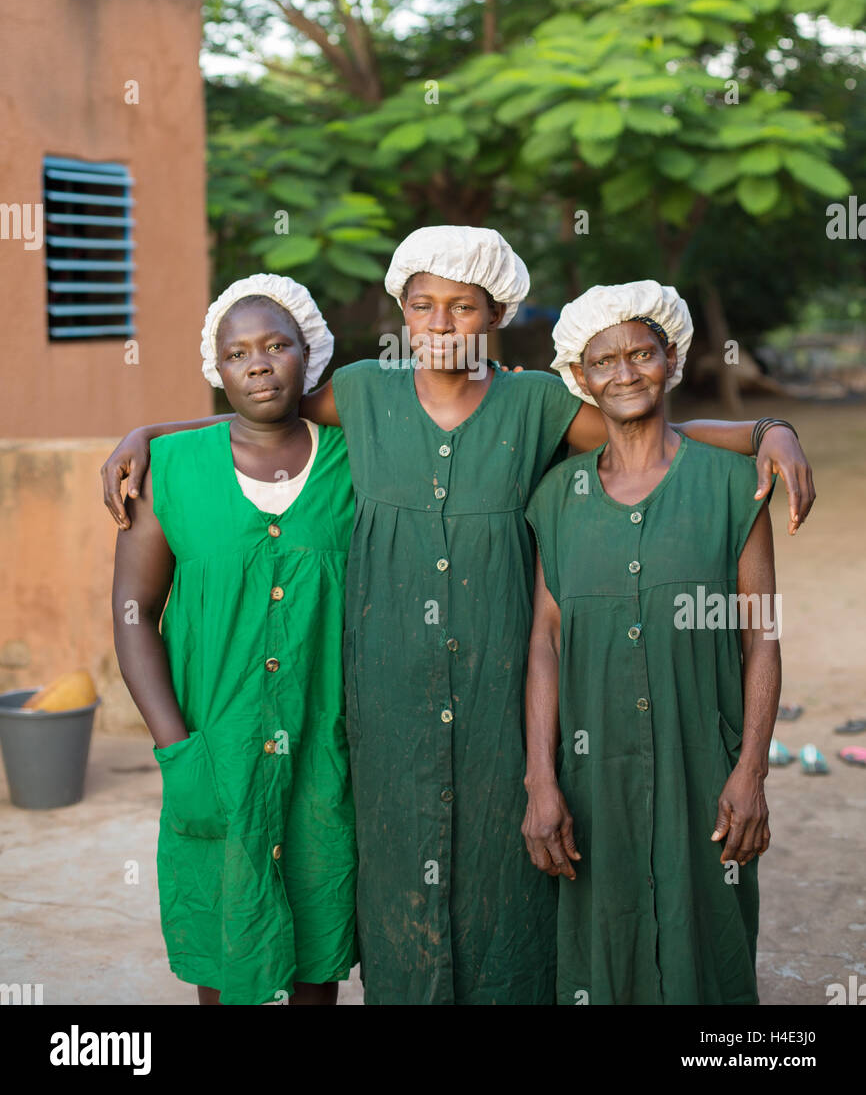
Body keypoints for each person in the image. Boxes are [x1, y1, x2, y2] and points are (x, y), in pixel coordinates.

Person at [102, 229, 814, 1006]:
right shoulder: (365, 391)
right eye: (424, 307)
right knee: (390, 884)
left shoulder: (536, 403)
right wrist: (146, 434)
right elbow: (260, 404)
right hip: (386, 712)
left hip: (499, 702)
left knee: (509, 885)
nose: (442, 326)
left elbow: (644, 437)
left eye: (464, 308)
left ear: (497, 313)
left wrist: (765, 432)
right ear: (402, 311)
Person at [522, 282, 780, 1005]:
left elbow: (763, 636)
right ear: (580, 377)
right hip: (589, 773)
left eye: (642, 353)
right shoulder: (556, 497)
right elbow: (545, 640)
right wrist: (542, 780)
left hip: (706, 765)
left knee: (713, 944)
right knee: (602, 948)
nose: (625, 372)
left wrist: (752, 770)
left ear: (671, 359)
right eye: (604, 361)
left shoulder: (734, 486)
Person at [112, 275, 357, 1006]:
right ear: (216, 369)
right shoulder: (172, 473)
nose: (257, 364)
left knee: (319, 940)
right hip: (213, 748)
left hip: (325, 750)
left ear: (308, 354)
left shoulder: (355, 462)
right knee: (224, 948)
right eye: (237, 353)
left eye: (277, 345)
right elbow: (133, 610)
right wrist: (174, 745)